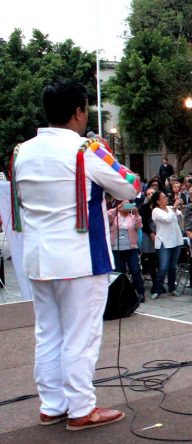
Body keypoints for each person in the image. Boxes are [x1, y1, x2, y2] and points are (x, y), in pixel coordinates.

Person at [10, 79, 139, 429]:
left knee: (48, 332)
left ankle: (52, 404)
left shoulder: (22, 151)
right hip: (81, 258)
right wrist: (105, 150)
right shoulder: (85, 150)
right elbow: (131, 185)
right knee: (81, 335)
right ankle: (82, 407)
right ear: (79, 111)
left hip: (37, 258)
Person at [108, 200, 145, 302]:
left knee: (135, 270)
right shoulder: (114, 215)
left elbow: (139, 226)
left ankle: (140, 293)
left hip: (131, 248)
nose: (127, 206)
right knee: (120, 272)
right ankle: (121, 295)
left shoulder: (133, 217)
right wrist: (117, 208)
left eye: (129, 204)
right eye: (125, 204)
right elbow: (107, 216)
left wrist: (136, 212)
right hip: (116, 248)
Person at [150, 191, 183, 299]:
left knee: (173, 267)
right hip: (164, 241)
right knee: (163, 267)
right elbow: (167, 219)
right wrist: (174, 207)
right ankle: (157, 289)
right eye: (163, 197)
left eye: (166, 196)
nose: (166, 198)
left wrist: (179, 205)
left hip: (176, 240)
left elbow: (180, 215)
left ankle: (172, 288)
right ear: (158, 201)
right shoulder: (155, 211)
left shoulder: (170, 208)